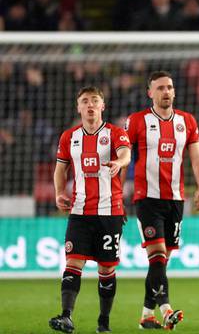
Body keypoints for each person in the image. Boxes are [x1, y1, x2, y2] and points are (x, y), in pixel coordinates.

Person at [125, 71, 199, 330]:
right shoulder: (137, 121)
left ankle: (146, 316)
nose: (166, 92)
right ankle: (166, 309)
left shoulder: (187, 121)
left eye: (169, 87)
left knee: (161, 262)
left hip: (175, 199)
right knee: (158, 256)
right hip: (147, 198)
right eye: (160, 88)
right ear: (150, 92)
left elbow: (196, 158)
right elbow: (123, 155)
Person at [49, 86, 131, 333]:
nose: (90, 105)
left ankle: (103, 322)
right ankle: (66, 317)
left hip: (110, 212)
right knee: (73, 263)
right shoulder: (69, 137)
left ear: (102, 106)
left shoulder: (116, 133)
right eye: (85, 101)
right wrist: (59, 192)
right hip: (79, 211)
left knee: (106, 269)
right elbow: (60, 169)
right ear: (79, 107)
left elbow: (126, 154)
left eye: (95, 100)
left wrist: (119, 162)